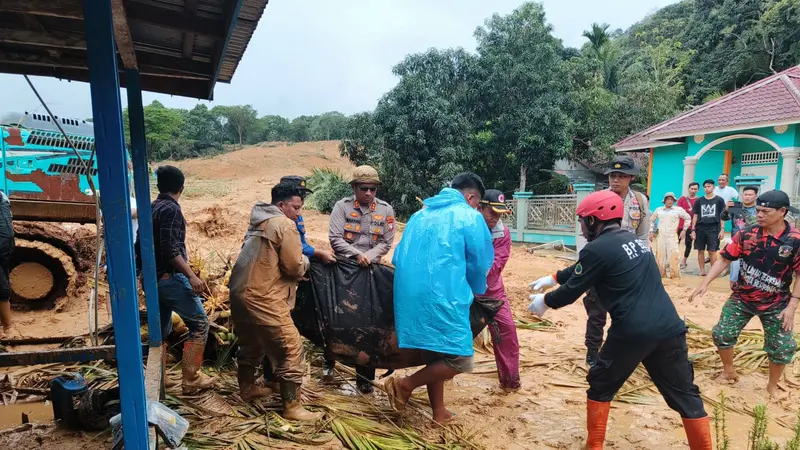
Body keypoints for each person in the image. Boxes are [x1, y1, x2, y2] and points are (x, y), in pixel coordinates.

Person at [528, 190, 711, 450]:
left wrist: (544, 302)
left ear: (593, 221)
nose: (581, 226)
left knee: (600, 384)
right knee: (685, 394)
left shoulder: (597, 248)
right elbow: (586, 267)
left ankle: (594, 446)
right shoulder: (634, 241)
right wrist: (555, 277)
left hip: (632, 332)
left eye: (583, 220)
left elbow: (571, 292)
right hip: (670, 327)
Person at [385, 172, 493, 424]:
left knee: (437, 352)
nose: (477, 207)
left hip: (407, 296)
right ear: (471, 197)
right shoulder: (469, 216)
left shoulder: (418, 215)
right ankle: (405, 385)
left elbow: (397, 257)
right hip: (445, 296)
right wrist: (477, 288)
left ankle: (439, 412)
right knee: (460, 358)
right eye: (477, 203)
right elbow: (479, 262)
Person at [690, 190, 800, 397]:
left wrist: (792, 306)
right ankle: (729, 371)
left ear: (782, 211)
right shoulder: (746, 234)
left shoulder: (794, 240)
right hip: (743, 297)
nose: (759, 215)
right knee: (722, 333)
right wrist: (705, 283)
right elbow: (724, 259)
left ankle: (772, 386)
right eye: (758, 210)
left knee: (782, 346)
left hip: (777, 302)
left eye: (765, 211)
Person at [228, 182, 321, 421]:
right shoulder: (284, 224)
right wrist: (306, 264)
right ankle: (292, 407)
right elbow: (292, 265)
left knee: (252, 343)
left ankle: (247, 388)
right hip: (264, 296)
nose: (298, 213)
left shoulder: (257, 222)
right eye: (295, 207)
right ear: (281, 205)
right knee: (291, 347)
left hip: (240, 292)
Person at [327, 165, 396, 393]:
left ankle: (365, 381)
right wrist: (356, 255)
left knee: (370, 325)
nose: (368, 193)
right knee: (338, 317)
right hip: (345, 270)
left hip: (372, 272)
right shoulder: (341, 207)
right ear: (354, 188)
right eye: (364, 188)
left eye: (373, 189)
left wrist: (369, 256)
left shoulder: (386, 210)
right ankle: (329, 362)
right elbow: (335, 238)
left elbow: (386, 242)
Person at [148, 166, 217, 394]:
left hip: (154, 279)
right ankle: (191, 377)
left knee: (161, 330)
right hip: (171, 279)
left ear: (159, 186)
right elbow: (170, 249)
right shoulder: (171, 210)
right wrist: (191, 275)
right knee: (200, 323)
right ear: (181, 188)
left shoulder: (153, 207)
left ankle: (161, 378)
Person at [580, 155, 650, 368]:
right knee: (596, 311)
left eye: (621, 176)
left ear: (630, 178)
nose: (615, 180)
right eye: (612, 176)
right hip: (603, 262)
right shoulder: (598, 198)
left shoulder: (639, 200)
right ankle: (593, 351)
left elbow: (643, 235)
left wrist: (642, 263)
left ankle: (623, 351)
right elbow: (586, 233)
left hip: (628, 264)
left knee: (628, 311)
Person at [479, 189, 520, 390]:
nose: (495, 219)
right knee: (455, 332)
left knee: (507, 331)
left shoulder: (502, 232)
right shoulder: (465, 226)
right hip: (463, 290)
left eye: (499, 214)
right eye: (492, 213)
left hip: (492, 291)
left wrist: (475, 271)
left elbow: (498, 263)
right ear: (480, 208)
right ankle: (443, 375)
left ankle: (510, 382)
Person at [279, 176, 336, 264]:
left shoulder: (297, 216)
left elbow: (301, 243)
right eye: (298, 193)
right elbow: (291, 246)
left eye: (303, 194)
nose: (302, 198)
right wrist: (319, 253)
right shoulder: (277, 219)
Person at [721, 186, 758, 289]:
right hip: (736, 244)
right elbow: (723, 217)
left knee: (752, 270)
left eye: (750, 195)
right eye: (745, 195)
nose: (747, 197)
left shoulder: (759, 210)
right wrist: (726, 209)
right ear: (742, 196)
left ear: (755, 196)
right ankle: (733, 292)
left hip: (753, 244)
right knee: (735, 270)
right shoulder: (735, 207)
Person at [650, 192, 691, 278]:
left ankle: (675, 276)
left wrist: (684, 230)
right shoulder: (659, 210)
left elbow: (688, 218)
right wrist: (651, 232)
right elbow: (651, 220)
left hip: (672, 236)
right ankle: (661, 275)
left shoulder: (678, 210)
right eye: (668, 199)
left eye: (671, 199)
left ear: (674, 200)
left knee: (674, 255)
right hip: (661, 236)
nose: (670, 201)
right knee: (660, 256)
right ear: (664, 201)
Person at [691, 180, 726, 276]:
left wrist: (722, 229)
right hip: (700, 227)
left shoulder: (719, 200)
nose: (707, 188)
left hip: (714, 228)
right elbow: (695, 215)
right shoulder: (699, 200)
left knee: (712, 250)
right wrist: (693, 229)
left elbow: (722, 215)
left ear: (713, 187)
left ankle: (713, 271)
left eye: (709, 186)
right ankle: (702, 270)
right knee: (700, 250)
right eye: (705, 187)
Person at [0, 191, 15, 338]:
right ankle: (7, 327)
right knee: (1, 286)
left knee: (3, 279)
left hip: (4, 248)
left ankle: (6, 326)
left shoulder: (3, 199)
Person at [678, 182, 700, 268]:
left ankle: (684, 260)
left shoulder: (699, 200)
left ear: (698, 190)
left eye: (695, 189)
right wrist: (689, 210)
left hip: (692, 226)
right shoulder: (682, 199)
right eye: (692, 189)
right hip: (680, 225)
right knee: (676, 242)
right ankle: (673, 259)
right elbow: (678, 210)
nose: (693, 190)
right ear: (688, 189)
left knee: (688, 243)